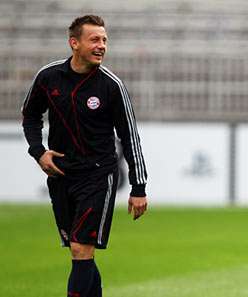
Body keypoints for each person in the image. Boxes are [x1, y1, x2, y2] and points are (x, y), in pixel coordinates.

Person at [21, 15, 148, 297]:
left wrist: (139, 187)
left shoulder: (111, 85)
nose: (101, 45)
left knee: (81, 247)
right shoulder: (48, 77)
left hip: (98, 174)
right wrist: (39, 153)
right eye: (94, 39)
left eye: (104, 40)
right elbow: (30, 116)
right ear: (74, 43)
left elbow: (130, 137)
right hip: (61, 174)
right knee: (80, 253)